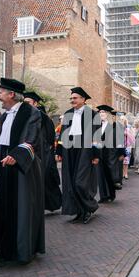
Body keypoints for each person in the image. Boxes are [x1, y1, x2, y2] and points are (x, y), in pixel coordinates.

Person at [0, 78, 45, 272]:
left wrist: (16, 156)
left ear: (11, 94)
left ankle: (23, 251)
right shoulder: (4, 117)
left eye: (1, 92)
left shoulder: (32, 113)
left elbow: (31, 139)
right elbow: (3, 145)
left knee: (22, 210)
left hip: (22, 169)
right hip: (5, 168)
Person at [56, 87, 100, 224]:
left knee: (81, 182)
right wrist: (59, 151)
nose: (72, 100)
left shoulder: (92, 114)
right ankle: (79, 211)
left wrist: (95, 154)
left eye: (75, 98)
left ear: (83, 99)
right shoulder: (68, 113)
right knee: (70, 181)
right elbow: (63, 134)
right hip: (69, 150)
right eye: (71, 98)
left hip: (85, 151)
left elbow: (96, 137)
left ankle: (89, 208)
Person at [24, 92, 62, 213]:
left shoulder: (43, 117)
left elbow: (50, 137)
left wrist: (46, 151)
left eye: (28, 102)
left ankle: (50, 204)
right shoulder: (26, 115)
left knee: (45, 179)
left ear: (35, 103)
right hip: (31, 151)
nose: (26, 105)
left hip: (43, 153)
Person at [95, 105, 125, 203]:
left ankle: (111, 194)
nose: (101, 114)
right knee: (100, 174)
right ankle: (103, 196)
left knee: (110, 174)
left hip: (111, 153)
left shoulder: (115, 125)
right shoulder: (96, 126)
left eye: (103, 112)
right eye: (100, 112)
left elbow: (120, 139)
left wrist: (121, 153)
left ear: (108, 114)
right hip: (99, 152)